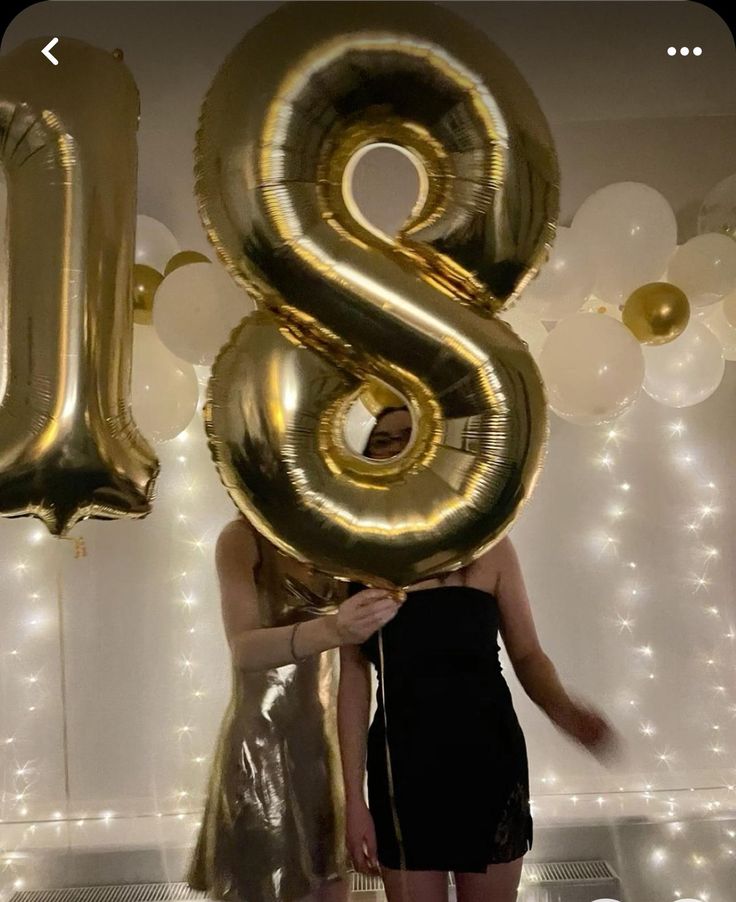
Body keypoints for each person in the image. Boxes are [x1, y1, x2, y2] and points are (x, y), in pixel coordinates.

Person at [338, 405, 624, 902]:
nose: (396, 447)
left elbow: (529, 656)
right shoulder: (358, 559)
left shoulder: (490, 548)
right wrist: (352, 800)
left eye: (409, 436)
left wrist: (567, 713)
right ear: (369, 460)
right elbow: (353, 683)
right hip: (401, 767)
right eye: (382, 440)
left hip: (489, 760)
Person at [186, 512, 403, 902]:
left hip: (321, 751)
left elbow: (357, 666)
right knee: (264, 887)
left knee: (331, 883)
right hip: (261, 749)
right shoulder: (242, 538)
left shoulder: (335, 539)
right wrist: (334, 628)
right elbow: (244, 649)